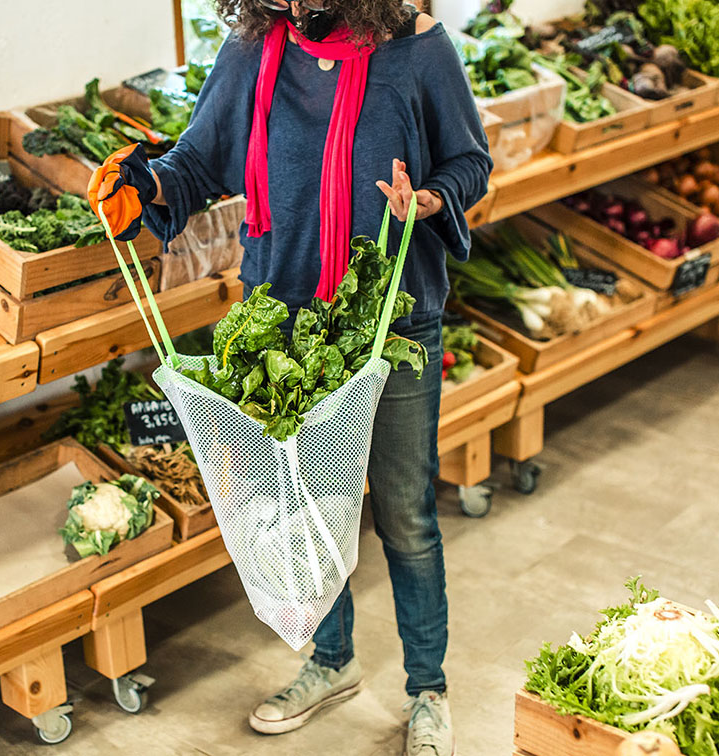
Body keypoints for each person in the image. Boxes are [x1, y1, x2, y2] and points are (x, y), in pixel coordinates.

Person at [88, 2, 492, 753]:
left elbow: (471, 164)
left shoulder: (418, 49)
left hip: (390, 320)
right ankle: (331, 662)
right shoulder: (253, 47)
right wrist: (143, 185)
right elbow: (201, 162)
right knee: (309, 508)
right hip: (284, 328)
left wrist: (428, 199)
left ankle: (428, 691)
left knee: (405, 515)